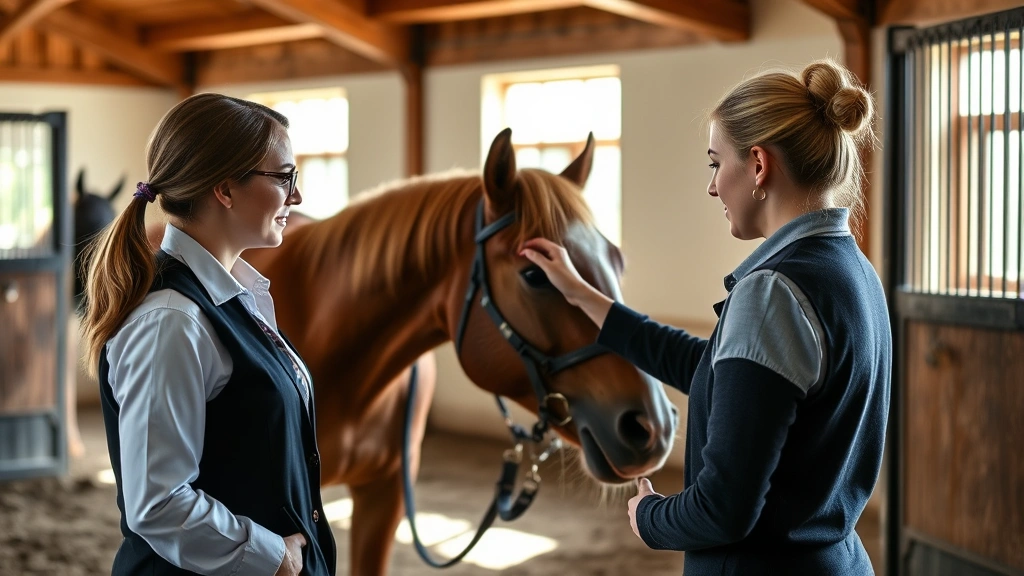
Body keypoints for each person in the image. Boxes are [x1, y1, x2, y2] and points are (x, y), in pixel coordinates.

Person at [521, 59, 890, 575]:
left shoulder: (771, 294)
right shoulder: (854, 272)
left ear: (758, 165)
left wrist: (649, 516)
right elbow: (718, 372)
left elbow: (722, 510)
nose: (712, 187)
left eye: (716, 163)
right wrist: (584, 297)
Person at [81, 93, 336, 576]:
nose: (297, 197)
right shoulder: (172, 322)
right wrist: (274, 556)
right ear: (225, 189)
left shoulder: (237, 294)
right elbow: (158, 504)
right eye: (284, 178)